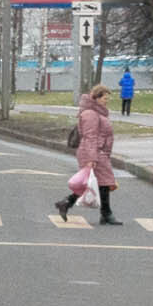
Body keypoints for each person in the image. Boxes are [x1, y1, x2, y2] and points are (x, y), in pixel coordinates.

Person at [57, 82, 119, 224]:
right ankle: (106, 214)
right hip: (94, 152)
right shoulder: (90, 114)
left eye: (107, 99)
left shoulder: (96, 112)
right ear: (96, 98)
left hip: (98, 152)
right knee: (104, 183)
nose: (106, 101)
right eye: (104, 98)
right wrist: (92, 158)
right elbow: (90, 136)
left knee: (95, 183)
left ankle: (66, 203)